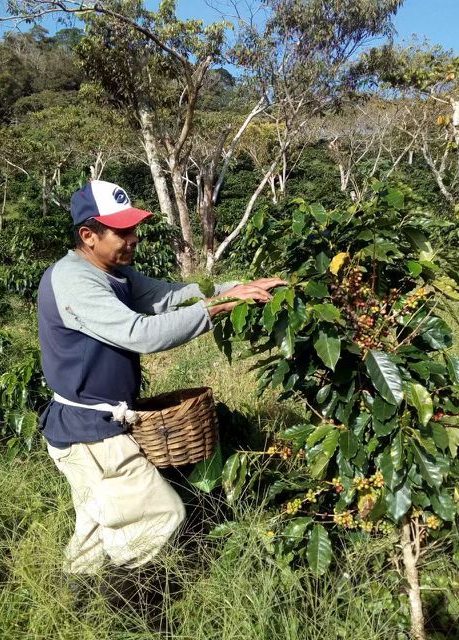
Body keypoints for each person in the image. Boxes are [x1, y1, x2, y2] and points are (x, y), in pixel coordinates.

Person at [37, 179, 285, 577]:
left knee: (97, 527)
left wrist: (237, 288)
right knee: (160, 516)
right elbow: (142, 333)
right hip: (88, 432)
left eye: (134, 228)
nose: (134, 238)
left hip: (95, 426)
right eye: (122, 231)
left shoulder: (115, 272)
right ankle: (138, 608)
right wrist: (221, 305)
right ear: (88, 235)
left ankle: (79, 606)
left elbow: (172, 296)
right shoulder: (75, 280)